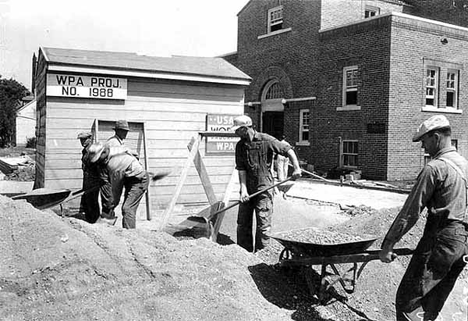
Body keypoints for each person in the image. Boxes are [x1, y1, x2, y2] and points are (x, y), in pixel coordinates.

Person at [379, 115, 468, 321]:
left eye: (424, 141)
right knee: (432, 302)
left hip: (440, 238)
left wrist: (388, 244)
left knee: (408, 300)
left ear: (436, 137)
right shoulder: (465, 165)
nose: (423, 147)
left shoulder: (435, 168)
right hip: (462, 245)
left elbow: (410, 211)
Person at [231, 115, 302, 252]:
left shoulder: (266, 140)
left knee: (263, 225)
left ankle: (262, 256)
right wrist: (243, 190)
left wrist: (297, 168)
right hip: (248, 189)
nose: (235, 133)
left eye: (237, 130)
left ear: (245, 129)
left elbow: (288, 150)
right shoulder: (240, 146)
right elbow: (241, 170)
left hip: (264, 187)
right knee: (242, 224)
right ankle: (243, 255)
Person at [88, 142, 149, 229]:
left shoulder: (114, 164)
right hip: (128, 176)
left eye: (98, 158)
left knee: (127, 209)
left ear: (104, 152)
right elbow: (134, 153)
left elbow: (116, 189)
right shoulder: (112, 149)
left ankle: (130, 236)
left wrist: (110, 207)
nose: (98, 161)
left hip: (139, 180)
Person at [99, 120, 132, 222]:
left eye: (126, 131)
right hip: (108, 174)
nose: (125, 133)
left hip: (114, 173)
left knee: (113, 200)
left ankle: (109, 220)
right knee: (110, 200)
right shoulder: (113, 142)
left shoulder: (119, 141)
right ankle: (106, 221)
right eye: (123, 131)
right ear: (117, 131)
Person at [77, 132, 101, 223]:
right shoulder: (85, 151)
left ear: (90, 139)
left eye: (84, 139)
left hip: (93, 180)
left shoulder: (93, 150)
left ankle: (94, 221)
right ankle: (89, 220)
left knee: (92, 201)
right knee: (88, 201)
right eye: (81, 140)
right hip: (87, 179)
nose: (82, 141)